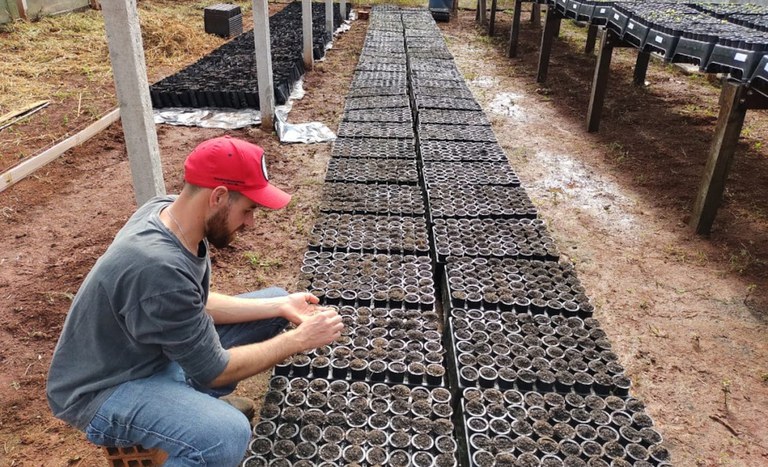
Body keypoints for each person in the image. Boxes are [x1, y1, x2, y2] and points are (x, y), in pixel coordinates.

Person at [46, 135, 343, 466]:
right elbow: (214, 370)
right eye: (247, 210)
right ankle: (194, 425)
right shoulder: (157, 266)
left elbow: (193, 304)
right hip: (103, 389)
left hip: (144, 356)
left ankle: (186, 413)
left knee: (276, 301)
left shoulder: (166, 211)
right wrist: (299, 340)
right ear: (217, 197)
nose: (251, 223)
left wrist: (279, 306)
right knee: (224, 435)